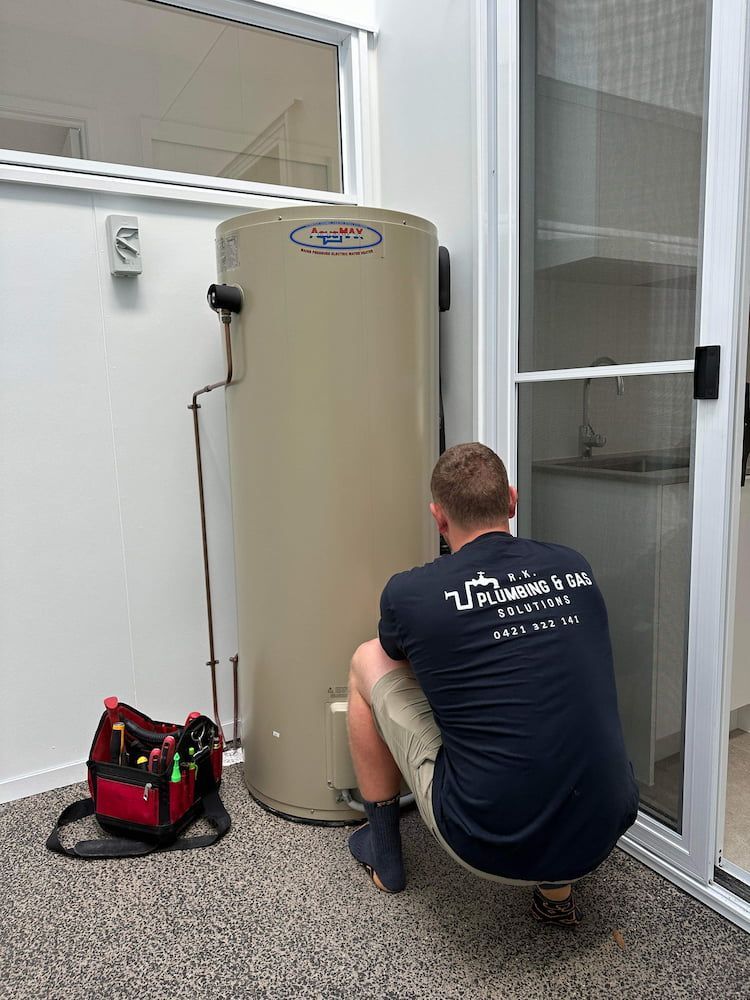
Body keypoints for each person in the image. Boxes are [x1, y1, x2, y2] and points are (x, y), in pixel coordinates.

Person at [347, 442, 639, 925]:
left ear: (439, 519)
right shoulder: (574, 566)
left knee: (366, 660)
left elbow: (396, 654)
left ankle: (384, 857)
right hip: (607, 818)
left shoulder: (409, 593)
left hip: (486, 839)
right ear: (512, 500)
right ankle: (557, 895)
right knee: (547, 711)